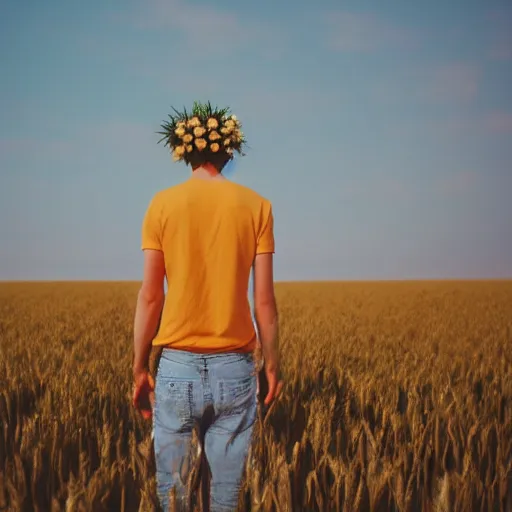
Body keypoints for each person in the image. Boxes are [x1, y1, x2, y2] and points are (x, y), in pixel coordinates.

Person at [132, 102, 282, 511]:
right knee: (227, 497)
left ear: (184, 152)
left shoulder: (161, 205)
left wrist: (140, 367)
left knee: (175, 497)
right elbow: (264, 301)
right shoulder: (258, 206)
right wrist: (271, 367)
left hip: (177, 367)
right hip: (235, 367)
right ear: (228, 152)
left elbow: (150, 295)